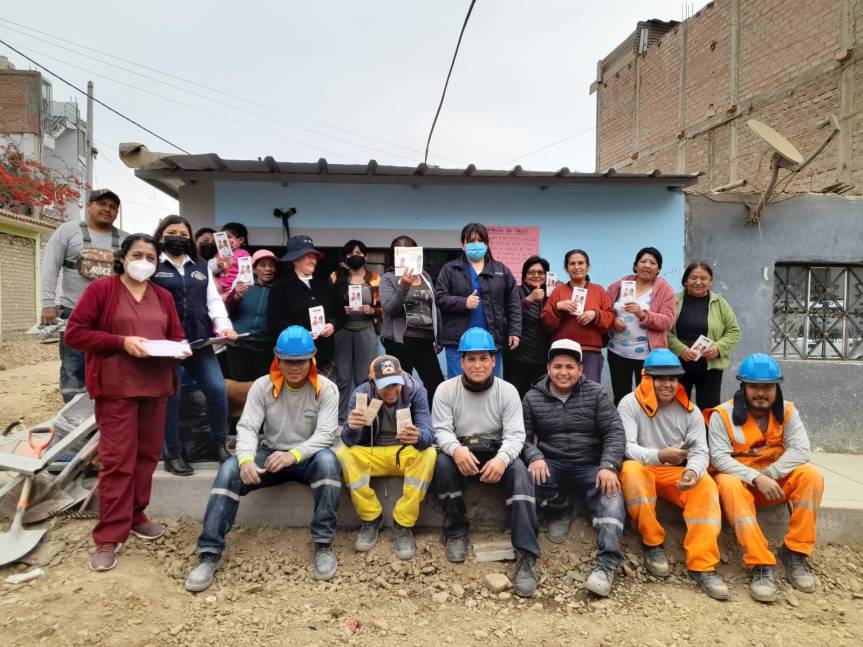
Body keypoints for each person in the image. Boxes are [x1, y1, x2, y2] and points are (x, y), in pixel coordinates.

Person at [64, 233, 189, 571]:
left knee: (147, 456)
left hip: (156, 385)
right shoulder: (101, 291)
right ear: (122, 257)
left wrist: (182, 346)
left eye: (150, 257)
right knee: (118, 460)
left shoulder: (161, 296)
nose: (144, 262)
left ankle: (135, 515)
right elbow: (75, 333)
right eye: (138, 255)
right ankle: (109, 535)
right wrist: (121, 341)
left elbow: (176, 334)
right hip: (116, 387)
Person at [184, 326, 342, 591]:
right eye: (288, 361)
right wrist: (246, 459)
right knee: (230, 469)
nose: (295, 367)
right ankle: (209, 553)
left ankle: (323, 545)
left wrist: (293, 455)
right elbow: (246, 427)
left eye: (301, 361)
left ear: (312, 358)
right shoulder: (263, 386)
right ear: (277, 358)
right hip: (270, 454)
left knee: (329, 462)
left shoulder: (326, 389)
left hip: (306, 456)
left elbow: (326, 435)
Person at [432, 327, 539, 596]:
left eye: (483, 358)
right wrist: (456, 450)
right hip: (462, 452)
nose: (477, 365)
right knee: (442, 464)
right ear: (461, 361)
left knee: (520, 472)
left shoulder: (508, 391)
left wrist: (502, 460)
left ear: (494, 360)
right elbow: (441, 430)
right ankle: (456, 531)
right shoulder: (445, 390)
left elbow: (515, 434)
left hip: (496, 452)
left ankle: (525, 553)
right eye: (471, 359)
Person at [709, 353, 823, 603]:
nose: (761, 393)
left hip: (775, 482)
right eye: (754, 387)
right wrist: (755, 477)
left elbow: (801, 450)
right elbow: (719, 458)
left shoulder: (789, 412)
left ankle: (795, 552)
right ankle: (760, 562)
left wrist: (770, 474)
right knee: (726, 482)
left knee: (811, 475)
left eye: (768, 387)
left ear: (777, 387)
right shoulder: (722, 414)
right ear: (743, 387)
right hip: (741, 484)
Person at [617, 349, 728, 600]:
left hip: (675, 473)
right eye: (660, 378)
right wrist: (660, 456)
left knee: (706, 485)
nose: (667, 384)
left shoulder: (691, 411)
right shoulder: (629, 404)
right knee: (631, 470)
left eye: (672, 379)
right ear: (647, 378)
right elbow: (627, 447)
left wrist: (692, 470)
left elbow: (701, 450)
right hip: (645, 468)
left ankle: (703, 565)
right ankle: (652, 543)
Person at [522, 339, 626, 598]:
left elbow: (614, 432)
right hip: (552, 464)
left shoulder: (598, 394)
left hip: (591, 465)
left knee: (612, 497)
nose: (563, 372)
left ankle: (606, 566)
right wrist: (534, 456)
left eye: (570, 366)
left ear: (581, 369)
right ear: (548, 368)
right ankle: (562, 509)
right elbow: (521, 437)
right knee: (527, 479)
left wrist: (609, 465)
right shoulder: (533, 397)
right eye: (558, 366)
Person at [151, 215, 237, 476]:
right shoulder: (154, 265)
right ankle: (173, 452)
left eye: (183, 233)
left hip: (200, 342)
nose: (179, 236)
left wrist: (224, 327)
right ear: (161, 236)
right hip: (168, 346)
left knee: (216, 390)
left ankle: (218, 444)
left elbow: (213, 302)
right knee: (172, 397)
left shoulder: (200, 267)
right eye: (172, 232)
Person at [337, 355, 436, 560]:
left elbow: (428, 435)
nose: (392, 391)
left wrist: (418, 436)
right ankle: (371, 516)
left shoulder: (415, 391)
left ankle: (403, 522)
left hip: (402, 452)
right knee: (344, 454)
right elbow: (348, 440)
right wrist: (352, 428)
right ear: (372, 382)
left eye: (395, 385)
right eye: (385, 386)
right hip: (372, 453)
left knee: (429, 454)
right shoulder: (361, 394)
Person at [40, 188, 127, 402]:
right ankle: (72, 419)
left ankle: (102, 420)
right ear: (89, 206)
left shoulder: (126, 239)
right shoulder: (68, 231)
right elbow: (50, 267)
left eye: (113, 207)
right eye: (102, 204)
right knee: (73, 368)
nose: (107, 209)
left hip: (112, 316)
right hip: (74, 312)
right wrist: (47, 303)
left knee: (110, 367)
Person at [267, 235, 349, 422]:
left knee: (325, 395)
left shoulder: (324, 284)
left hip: (324, 353)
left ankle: (324, 433)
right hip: (294, 355)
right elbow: (274, 321)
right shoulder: (281, 287)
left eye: (314, 256)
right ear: (295, 259)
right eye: (307, 256)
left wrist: (333, 325)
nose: (313, 260)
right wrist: (300, 335)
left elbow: (340, 313)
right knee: (296, 398)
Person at [434, 223, 521, 378]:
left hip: (491, 340)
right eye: (471, 241)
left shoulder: (501, 270)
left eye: (480, 240)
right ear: (463, 245)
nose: (476, 245)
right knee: (458, 386)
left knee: (489, 387)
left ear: (487, 244)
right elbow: (439, 297)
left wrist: (515, 331)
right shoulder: (450, 269)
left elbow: (513, 302)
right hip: (457, 341)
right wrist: (463, 302)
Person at [606, 247, 676, 404]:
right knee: (621, 398)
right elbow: (604, 310)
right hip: (617, 352)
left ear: (659, 268)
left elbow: (668, 321)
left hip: (647, 356)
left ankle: (645, 429)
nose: (647, 265)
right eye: (643, 261)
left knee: (647, 398)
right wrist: (612, 322)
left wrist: (643, 314)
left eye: (653, 262)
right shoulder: (619, 285)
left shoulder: (664, 290)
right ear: (635, 265)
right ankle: (621, 428)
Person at [380, 235, 444, 405]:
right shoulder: (389, 278)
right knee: (399, 388)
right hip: (400, 342)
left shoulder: (425, 276)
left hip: (424, 342)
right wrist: (403, 287)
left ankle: (429, 423)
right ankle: (400, 426)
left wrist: (439, 337)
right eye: (401, 252)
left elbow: (434, 307)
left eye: (410, 251)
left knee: (436, 385)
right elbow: (390, 310)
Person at [666, 262, 741, 409]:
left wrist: (717, 348)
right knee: (677, 407)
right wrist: (680, 349)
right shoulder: (673, 300)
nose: (698, 282)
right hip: (678, 364)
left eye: (704, 278)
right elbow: (664, 330)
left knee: (709, 408)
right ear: (685, 281)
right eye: (693, 277)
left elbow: (733, 331)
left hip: (710, 366)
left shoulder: (720, 304)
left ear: (710, 282)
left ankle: (707, 433)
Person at [541, 249, 614, 383]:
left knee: (589, 392)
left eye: (581, 263)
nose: (576, 267)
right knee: (562, 389)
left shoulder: (599, 290)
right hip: (562, 351)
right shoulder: (558, 291)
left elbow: (610, 321)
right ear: (566, 268)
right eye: (572, 264)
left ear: (588, 266)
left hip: (590, 351)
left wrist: (595, 314)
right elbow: (546, 323)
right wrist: (557, 307)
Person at [331, 239, 382, 423]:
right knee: (343, 377)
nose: (356, 256)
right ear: (345, 257)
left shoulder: (375, 279)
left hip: (366, 330)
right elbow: (328, 304)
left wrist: (372, 310)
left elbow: (385, 308)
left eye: (360, 253)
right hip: (342, 330)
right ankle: (340, 419)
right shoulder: (336, 277)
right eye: (352, 253)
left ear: (366, 256)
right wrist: (339, 310)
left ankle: (362, 419)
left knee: (364, 378)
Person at [225, 249, 279, 382]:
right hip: (238, 346)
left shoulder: (279, 290)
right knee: (239, 389)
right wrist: (235, 295)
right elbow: (224, 311)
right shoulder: (242, 287)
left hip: (264, 348)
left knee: (261, 389)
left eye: (271, 265)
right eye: (262, 265)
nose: (268, 269)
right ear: (253, 269)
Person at [504, 256, 552, 397]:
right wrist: (529, 299)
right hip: (517, 357)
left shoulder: (552, 294)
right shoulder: (515, 292)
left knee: (540, 398)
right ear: (524, 276)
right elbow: (508, 316)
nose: (536, 275)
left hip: (543, 358)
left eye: (540, 272)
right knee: (516, 396)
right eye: (531, 272)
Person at [213, 222, 253, 293]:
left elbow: (244, 277)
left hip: (233, 290)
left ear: (241, 240)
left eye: (228, 237)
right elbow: (212, 270)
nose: (224, 240)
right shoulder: (219, 254)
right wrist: (218, 265)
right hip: (217, 289)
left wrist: (232, 291)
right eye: (223, 237)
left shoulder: (244, 254)